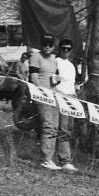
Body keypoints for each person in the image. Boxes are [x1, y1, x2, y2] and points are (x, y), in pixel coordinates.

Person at [28, 33, 62, 169]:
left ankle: (50, 158)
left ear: (54, 46)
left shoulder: (54, 59)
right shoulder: (36, 57)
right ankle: (45, 159)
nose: (47, 47)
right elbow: (34, 78)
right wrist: (43, 93)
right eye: (45, 44)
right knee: (47, 125)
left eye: (50, 44)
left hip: (54, 95)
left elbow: (54, 78)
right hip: (42, 96)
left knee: (54, 127)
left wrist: (57, 81)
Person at [53, 38, 78, 171]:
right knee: (62, 128)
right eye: (64, 48)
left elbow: (71, 83)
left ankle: (66, 158)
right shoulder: (55, 61)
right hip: (60, 96)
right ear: (59, 49)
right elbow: (52, 80)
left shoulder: (71, 65)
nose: (66, 51)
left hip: (72, 97)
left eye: (68, 49)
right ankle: (64, 160)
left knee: (69, 128)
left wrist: (75, 95)